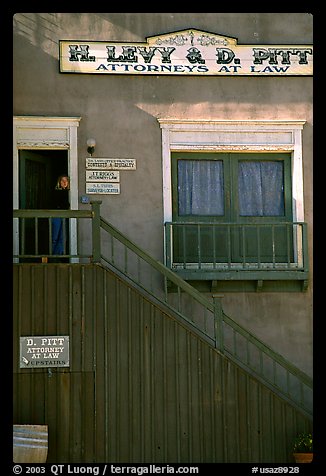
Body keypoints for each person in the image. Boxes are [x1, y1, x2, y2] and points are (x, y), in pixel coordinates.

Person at [51, 175, 70, 256]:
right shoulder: (55, 192)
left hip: (64, 216)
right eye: (62, 180)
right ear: (59, 182)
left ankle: (58, 254)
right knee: (54, 237)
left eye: (66, 180)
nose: (64, 182)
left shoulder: (68, 193)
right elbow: (57, 204)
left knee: (63, 237)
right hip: (56, 216)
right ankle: (51, 255)